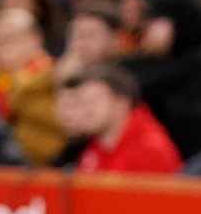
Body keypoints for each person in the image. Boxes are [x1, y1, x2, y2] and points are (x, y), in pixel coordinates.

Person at [54, 63, 183, 175]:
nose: (86, 110)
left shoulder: (151, 150)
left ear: (121, 103)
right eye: (82, 102)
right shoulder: (94, 147)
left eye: (93, 101)